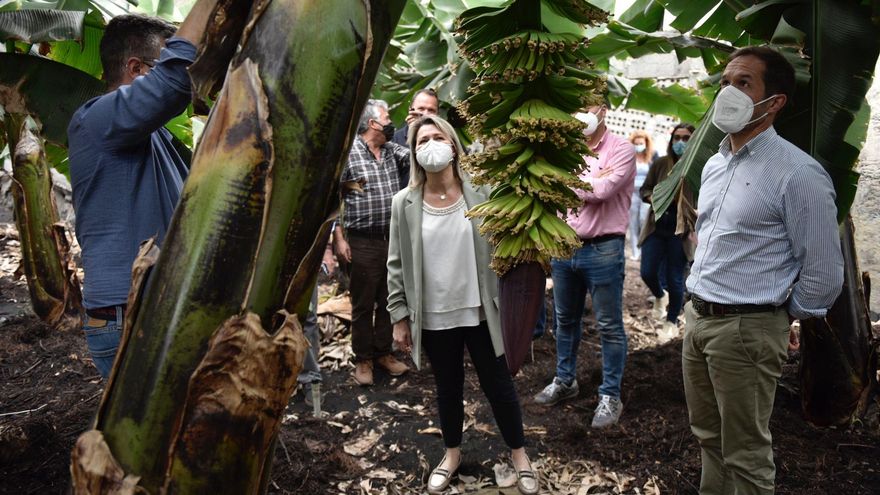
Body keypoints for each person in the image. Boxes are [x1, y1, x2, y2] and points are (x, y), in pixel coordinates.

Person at [684, 46, 843, 493]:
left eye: (743, 83)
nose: (727, 92)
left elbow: (825, 273)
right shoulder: (715, 164)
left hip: (745, 328)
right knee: (709, 440)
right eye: (725, 82)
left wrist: (778, 317)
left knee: (746, 454)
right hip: (698, 319)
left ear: (773, 103)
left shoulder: (798, 173)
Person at [387, 115, 537, 495]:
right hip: (435, 314)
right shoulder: (404, 203)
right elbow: (396, 263)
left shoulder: (483, 192)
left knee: (499, 385)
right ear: (414, 151)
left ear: (453, 145)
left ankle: (520, 455)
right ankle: (451, 454)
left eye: (438, 137)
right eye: (422, 140)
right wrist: (399, 316)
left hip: (480, 310)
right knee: (448, 388)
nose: (431, 145)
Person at [67, 2, 217, 378]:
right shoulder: (96, 119)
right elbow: (174, 82)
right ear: (136, 68)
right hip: (128, 311)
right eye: (158, 63)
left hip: (160, 304)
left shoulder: (158, 139)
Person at [533, 100, 636, 429]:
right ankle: (565, 380)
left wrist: (564, 181)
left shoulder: (622, 149)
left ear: (603, 109)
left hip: (603, 248)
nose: (582, 111)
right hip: (565, 246)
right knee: (565, 320)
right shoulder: (565, 149)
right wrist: (587, 181)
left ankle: (610, 394)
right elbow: (551, 188)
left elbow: (603, 191)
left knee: (608, 326)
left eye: (589, 104)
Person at [335, 99, 411, 386]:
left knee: (388, 299)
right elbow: (335, 199)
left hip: (391, 239)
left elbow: (419, 157)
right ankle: (363, 359)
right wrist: (338, 238)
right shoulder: (349, 155)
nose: (392, 122)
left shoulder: (392, 152)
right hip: (362, 241)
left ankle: (383, 354)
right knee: (364, 303)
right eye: (388, 117)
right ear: (372, 124)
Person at [638, 123, 696, 342]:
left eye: (686, 138)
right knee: (647, 271)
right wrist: (653, 197)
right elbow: (644, 189)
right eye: (677, 138)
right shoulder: (661, 164)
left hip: (680, 232)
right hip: (657, 227)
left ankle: (671, 321)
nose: (680, 142)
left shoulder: (696, 168)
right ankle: (660, 296)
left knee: (675, 277)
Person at [391, 89, 440, 189]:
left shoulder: (447, 137)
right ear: (410, 110)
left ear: (437, 114)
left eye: (431, 110)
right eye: (421, 109)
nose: (425, 114)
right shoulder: (394, 140)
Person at [627, 130, 654, 260]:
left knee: (644, 220)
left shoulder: (651, 158)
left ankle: (644, 250)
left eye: (641, 143)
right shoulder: (629, 157)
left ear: (646, 144)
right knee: (633, 222)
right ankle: (635, 252)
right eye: (636, 143)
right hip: (632, 193)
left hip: (645, 194)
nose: (638, 145)